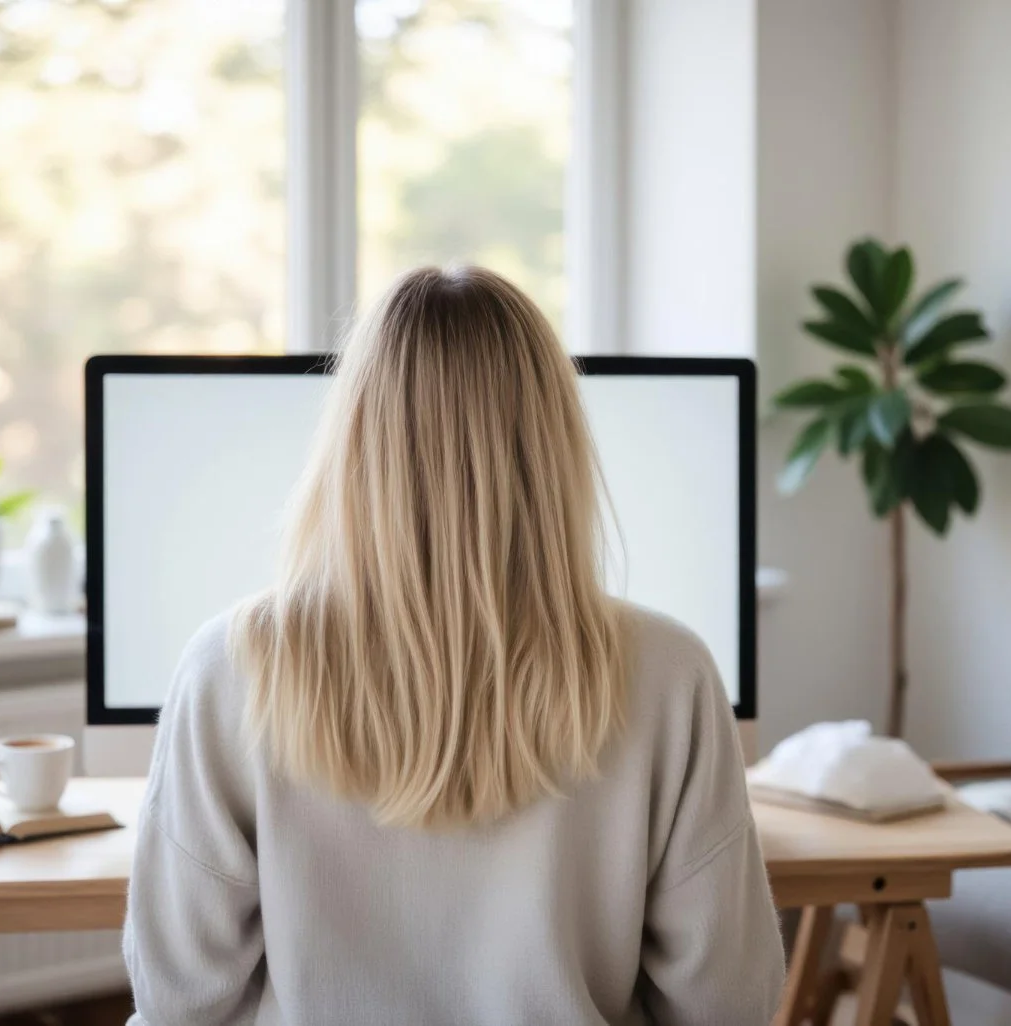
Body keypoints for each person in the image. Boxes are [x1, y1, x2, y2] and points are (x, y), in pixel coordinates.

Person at [123, 266, 785, 1025]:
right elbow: (726, 1004)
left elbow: (178, 1002)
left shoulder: (229, 667)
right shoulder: (671, 674)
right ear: (555, 441)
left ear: (352, 437)